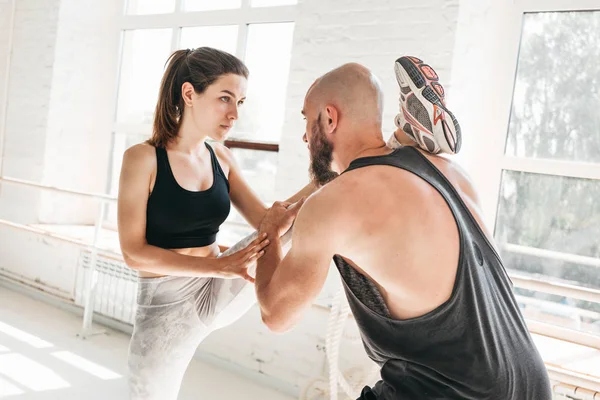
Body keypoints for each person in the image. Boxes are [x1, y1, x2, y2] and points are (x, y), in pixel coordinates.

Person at [254, 59, 552, 399]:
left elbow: (276, 316)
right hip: (530, 381)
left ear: (330, 118)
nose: (305, 136)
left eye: (307, 120)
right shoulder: (447, 170)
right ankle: (403, 131)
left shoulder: (330, 205)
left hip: (452, 392)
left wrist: (270, 234)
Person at [117, 47, 315, 400]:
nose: (234, 113)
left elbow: (269, 222)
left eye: (240, 102)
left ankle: (351, 162)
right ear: (190, 94)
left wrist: (323, 176)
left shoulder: (220, 156)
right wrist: (215, 265)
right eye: (225, 98)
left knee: (290, 226)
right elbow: (133, 254)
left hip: (220, 284)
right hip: (167, 304)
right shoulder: (142, 159)